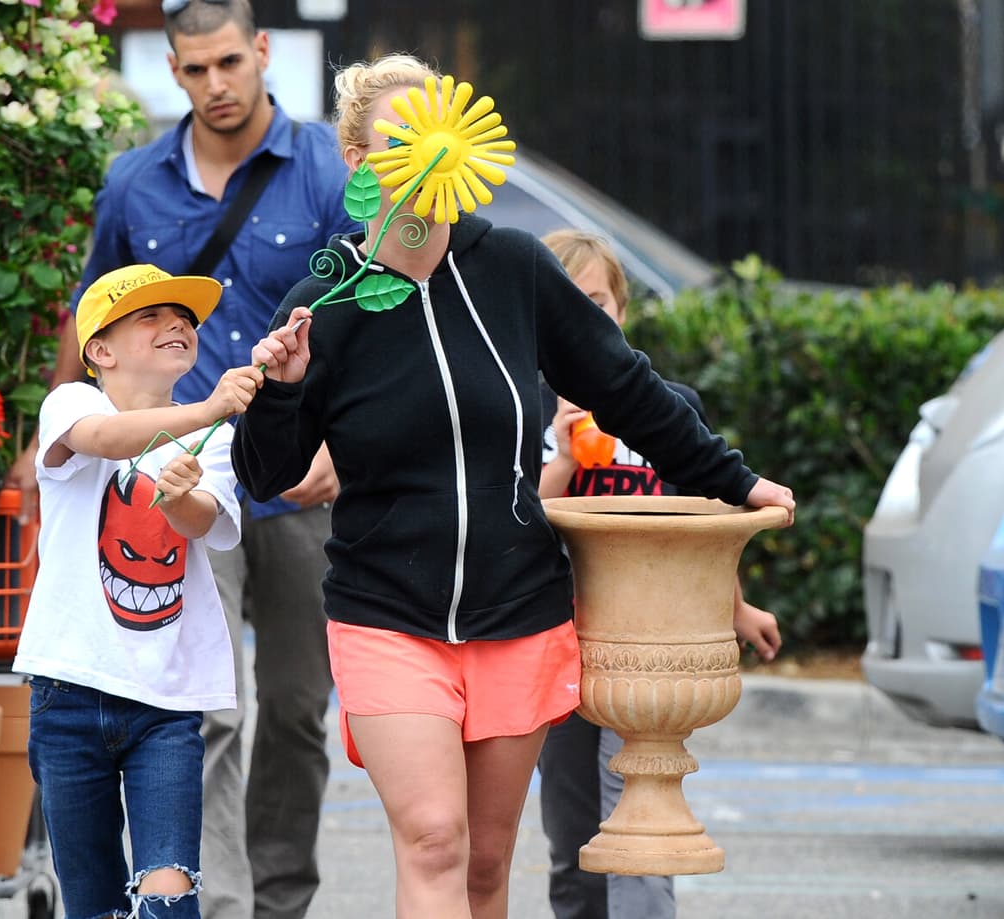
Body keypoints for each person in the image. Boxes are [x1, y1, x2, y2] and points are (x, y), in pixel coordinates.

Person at [230, 53, 796, 919]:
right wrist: (286, 385)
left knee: (488, 863)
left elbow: (627, 388)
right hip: (385, 615)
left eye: (435, 133)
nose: (422, 155)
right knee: (434, 839)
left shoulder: (516, 269)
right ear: (355, 158)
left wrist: (734, 480)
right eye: (396, 139)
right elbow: (263, 472)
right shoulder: (324, 301)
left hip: (518, 612)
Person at [20, 2, 360, 917]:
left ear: (260, 53)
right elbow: (92, 313)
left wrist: (336, 438)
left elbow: (363, 317)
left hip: (295, 478)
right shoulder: (135, 182)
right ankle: (222, 905)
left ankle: (281, 897)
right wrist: (44, 440)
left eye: (228, 64)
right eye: (195, 70)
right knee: (205, 708)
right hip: (174, 469)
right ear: (173, 71)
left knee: (293, 707)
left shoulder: (326, 167)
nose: (216, 85)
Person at [534, 229, 782, 919]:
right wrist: (561, 446)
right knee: (572, 826)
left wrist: (735, 607)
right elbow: (522, 518)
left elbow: (699, 521)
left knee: (637, 804)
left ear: (621, 311)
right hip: (557, 638)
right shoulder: (524, 407)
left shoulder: (665, 407)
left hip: (649, 642)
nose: (583, 319)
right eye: (565, 303)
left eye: (597, 302)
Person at [13, 263, 269, 919]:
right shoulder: (73, 404)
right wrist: (209, 406)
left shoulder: (215, 440)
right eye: (149, 316)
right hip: (68, 690)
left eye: (184, 317)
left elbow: (205, 522)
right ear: (98, 350)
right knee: (93, 898)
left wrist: (182, 498)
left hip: (167, 701)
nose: (176, 324)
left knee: (169, 889)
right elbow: (101, 440)